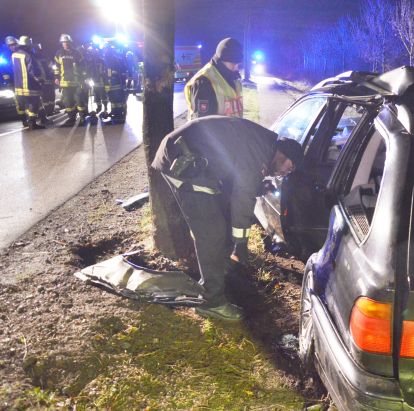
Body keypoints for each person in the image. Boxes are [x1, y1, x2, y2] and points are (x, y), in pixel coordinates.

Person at [151, 116, 303, 321]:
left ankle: (219, 272)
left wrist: (256, 185)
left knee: (218, 222)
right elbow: (242, 197)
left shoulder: (265, 146)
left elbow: (240, 176)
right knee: (211, 232)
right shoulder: (258, 153)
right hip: (183, 162)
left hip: (194, 160)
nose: (285, 173)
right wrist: (240, 243)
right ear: (283, 155)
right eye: (289, 167)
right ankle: (211, 301)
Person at [184, 37, 244, 121]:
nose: (236, 68)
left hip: (233, 132)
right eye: (234, 63)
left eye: (238, 64)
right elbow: (203, 125)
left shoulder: (233, 76)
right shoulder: (204, 81)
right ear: (221, 60)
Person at [11, 36, 45, 130]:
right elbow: (33, 71)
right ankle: (32, 123)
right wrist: (40, 80)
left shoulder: (14, 55)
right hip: (30, 86)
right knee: (34, 104)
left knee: (25, 106)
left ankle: (28, 122)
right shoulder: (28, 55)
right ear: (28, 46)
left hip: (18, 87)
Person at [54, 34, 85, 127]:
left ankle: (82, 117)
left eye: (67, 42)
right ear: (61, 43)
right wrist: (56, 77)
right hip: (65, 81)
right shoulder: (59, 53)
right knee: (68, 101)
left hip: (77, 81)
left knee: (79, 100)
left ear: (70, 43)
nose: (65, 44)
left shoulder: (76, 53)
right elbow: (56, 66)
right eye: (64, 42)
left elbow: (82, 66)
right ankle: (71, 118)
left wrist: (83, 78)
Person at [102, 43, 128, 123]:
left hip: (115, 82)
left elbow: (117, 70)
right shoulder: (107, 58)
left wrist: (110, 77)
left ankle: (120, 113)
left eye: (106, 49)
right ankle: (115, 112)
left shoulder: (114, 59)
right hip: (111, 83)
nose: (105, 51)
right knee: (113, 99)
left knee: (117, 99)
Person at [5, 36, 27, 126]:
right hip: (14, 83)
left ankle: (33, 118)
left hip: (23, 81)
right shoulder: (7, 57)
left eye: (14, 45)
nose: (12, 47)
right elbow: (6, 71)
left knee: (28, 100)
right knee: (19, 103)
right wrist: (9, 82)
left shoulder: (21, 53)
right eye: (10, 45)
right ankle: (24, 120)